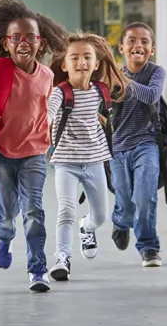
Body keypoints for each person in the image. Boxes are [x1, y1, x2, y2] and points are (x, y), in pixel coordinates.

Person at [0, 0, 68, 292]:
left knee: (34, 210)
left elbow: (48, 110)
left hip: (35, 152)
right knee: (7, 213)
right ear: (6, 43)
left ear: (41, 43)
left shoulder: (47, 76)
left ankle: (37, 270)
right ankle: (3, 238)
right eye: (15, 37)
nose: (23, 42)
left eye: (30, 37)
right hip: (3, 153)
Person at [47, 32, 128, 281]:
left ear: (95, 64)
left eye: (87, 57)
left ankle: (87, 227)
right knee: (65, 210)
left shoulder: (101, 91)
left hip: (95, 161)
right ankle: (62, 258)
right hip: (65, 162)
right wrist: (45, 122)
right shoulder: (61, 92)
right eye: (75, 57)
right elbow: (49, 111)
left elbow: (105, 117)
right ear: (64, 64)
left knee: (101, 216)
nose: (81, 62)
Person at [109, 22, 166, 267]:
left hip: (147, 144)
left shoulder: (155, 72)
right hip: (118, 147)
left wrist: (124, 81)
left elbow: (152, 95)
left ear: (151, 49)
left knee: (145, 196)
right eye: (131, 40)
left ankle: (149, 247)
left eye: (144, 41)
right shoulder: (112, 75)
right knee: (124, 196)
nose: (138, 45)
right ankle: (121, 222)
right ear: (122, 47)